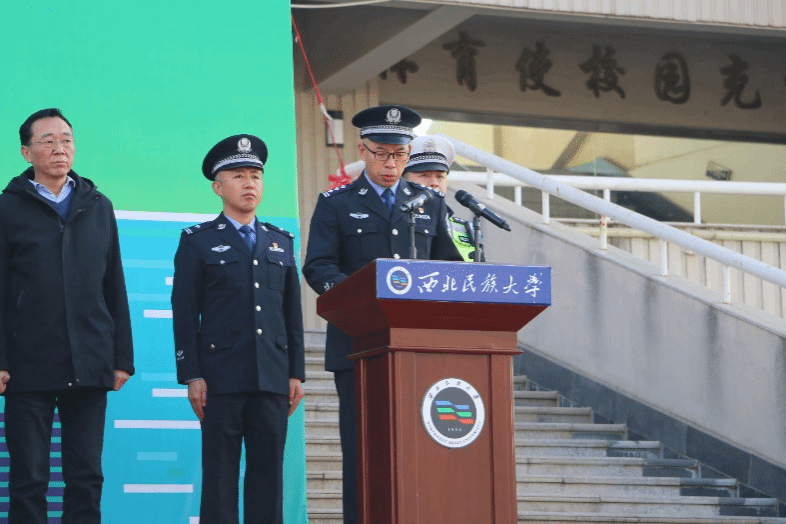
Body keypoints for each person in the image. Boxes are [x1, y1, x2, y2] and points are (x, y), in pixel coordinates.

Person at [302, 105, 462, 524]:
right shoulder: (336, 204)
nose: (392, 163)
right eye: (382, 154)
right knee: (362, 452)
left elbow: (449, 269)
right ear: (363, 151)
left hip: (418, 350)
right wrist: (362, 305)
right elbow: (318, 267)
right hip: (357, 347)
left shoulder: (429, 202)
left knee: (417, 450)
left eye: (400, 154)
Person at [0, 108, 134, 524]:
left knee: (86, 477)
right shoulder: (7, 208)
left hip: (90, 360)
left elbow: (113, 283)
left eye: (67, 140)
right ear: (26, 153)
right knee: (29, 478)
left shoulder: (98, 206)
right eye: (48, 141)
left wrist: (121, 357)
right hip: (27, 363)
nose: (60, 148)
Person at [171, 134, 305, 524]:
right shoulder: (198, 241)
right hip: (220, 379)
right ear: (218, 187)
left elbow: (291, 315)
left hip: (272, 378)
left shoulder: (281, 242)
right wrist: (192, 374)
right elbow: (184, 313)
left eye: (255, 176)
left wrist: (295, 372)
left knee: (268, 479)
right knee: (219, 478)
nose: (249, 184)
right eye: (238, 176)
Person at [403, 134, 484, 261]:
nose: (434, 183)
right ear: (404, 180)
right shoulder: (397, 221)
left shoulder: (467, 230)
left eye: (440, 176)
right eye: (424, 175)